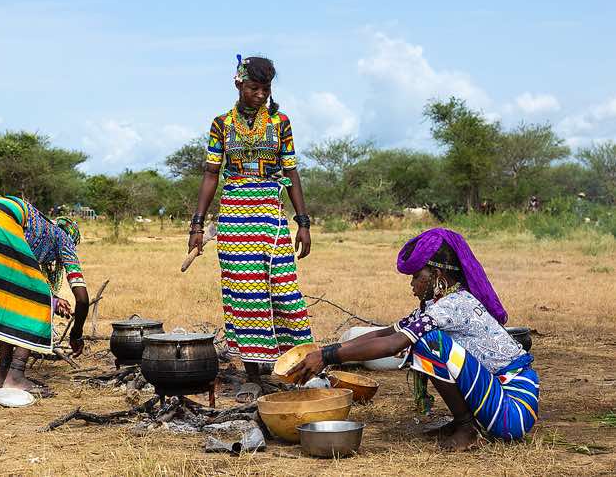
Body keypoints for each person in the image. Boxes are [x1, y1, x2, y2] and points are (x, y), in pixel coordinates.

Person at [288, 228, 539, 450]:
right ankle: (463, 422)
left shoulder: (454, 305)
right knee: (422, 338)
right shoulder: (437, 305)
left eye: (416, 276)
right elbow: (385, 333)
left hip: (513, 411)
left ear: (437, 275)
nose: (412, 284)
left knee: (428, 341)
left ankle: (467, 427)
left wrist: (328, 357)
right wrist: (326, 351)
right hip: (498, 397)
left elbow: (394, 344)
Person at [188, 55, 314, 402]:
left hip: (270, 213)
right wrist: (197, 225)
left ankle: (300, 365)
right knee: (245, 296)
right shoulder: (221, 124)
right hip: (233, 215)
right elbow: (211, 174)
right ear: (238, 85)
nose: (260, 94)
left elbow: (291, 172)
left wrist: (302, 222)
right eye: (254, 88)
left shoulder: (280, 122)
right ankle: (254, 374)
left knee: (285, 292)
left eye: (266, 88)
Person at [0, 196, 89, 396]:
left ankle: (3, 373)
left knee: (10, 300)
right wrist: (76, 334)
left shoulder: (40, 232)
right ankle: (16, 376)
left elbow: (23, 282)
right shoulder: (64, 240)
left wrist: (53, 300)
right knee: (35, 303)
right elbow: (82, 298)